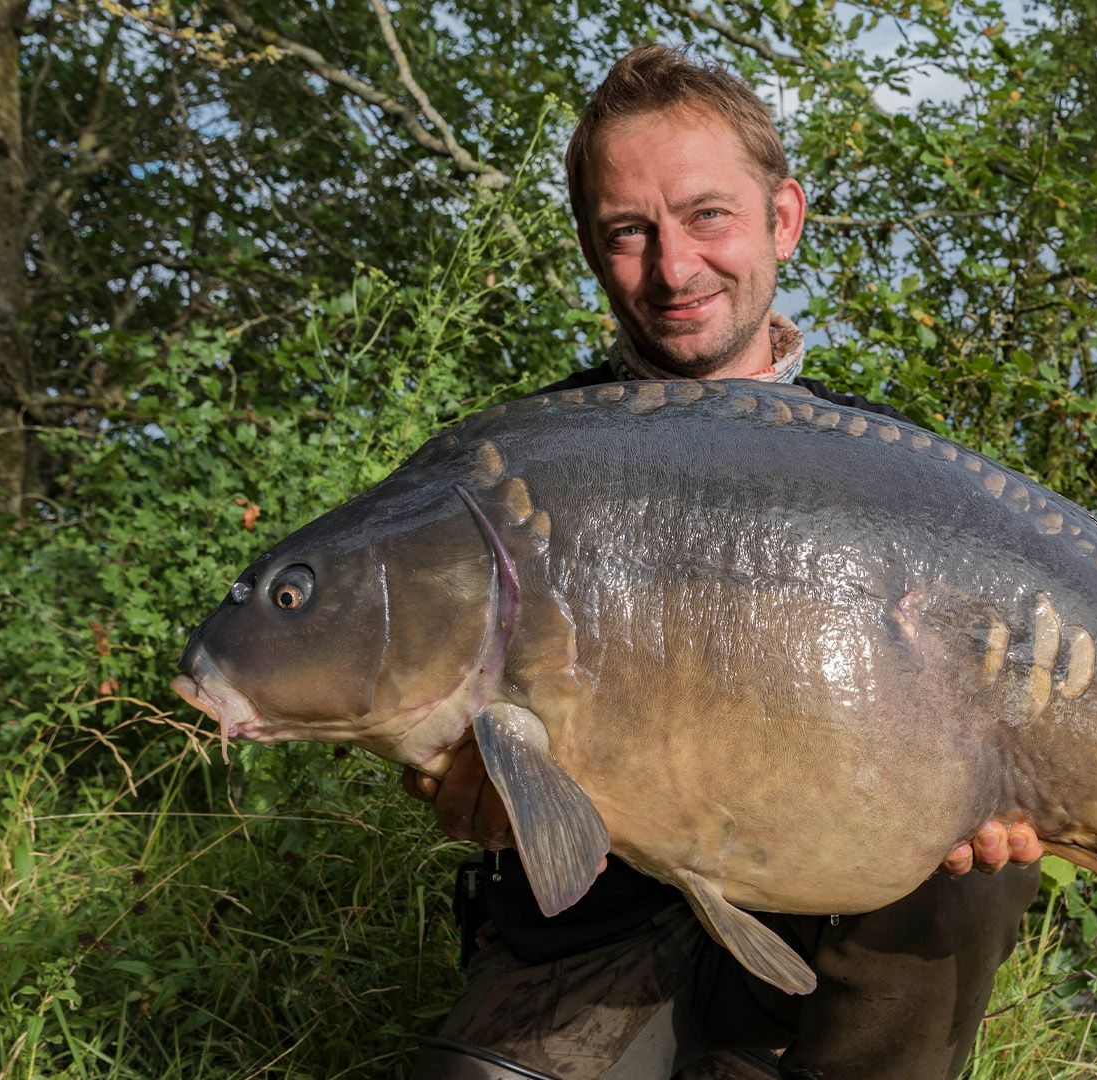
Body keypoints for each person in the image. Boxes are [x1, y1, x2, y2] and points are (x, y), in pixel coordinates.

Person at [406, 44, 1043, 1080]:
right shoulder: (525, 463)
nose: (674, 267)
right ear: (590, 248)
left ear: (782, 218)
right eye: (629, 232)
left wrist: (1007, 790)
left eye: (708, 215)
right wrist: (460, 786)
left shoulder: (902, 477)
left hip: (820, 920)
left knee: (974, 879)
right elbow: (433, 718)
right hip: (592, 937)